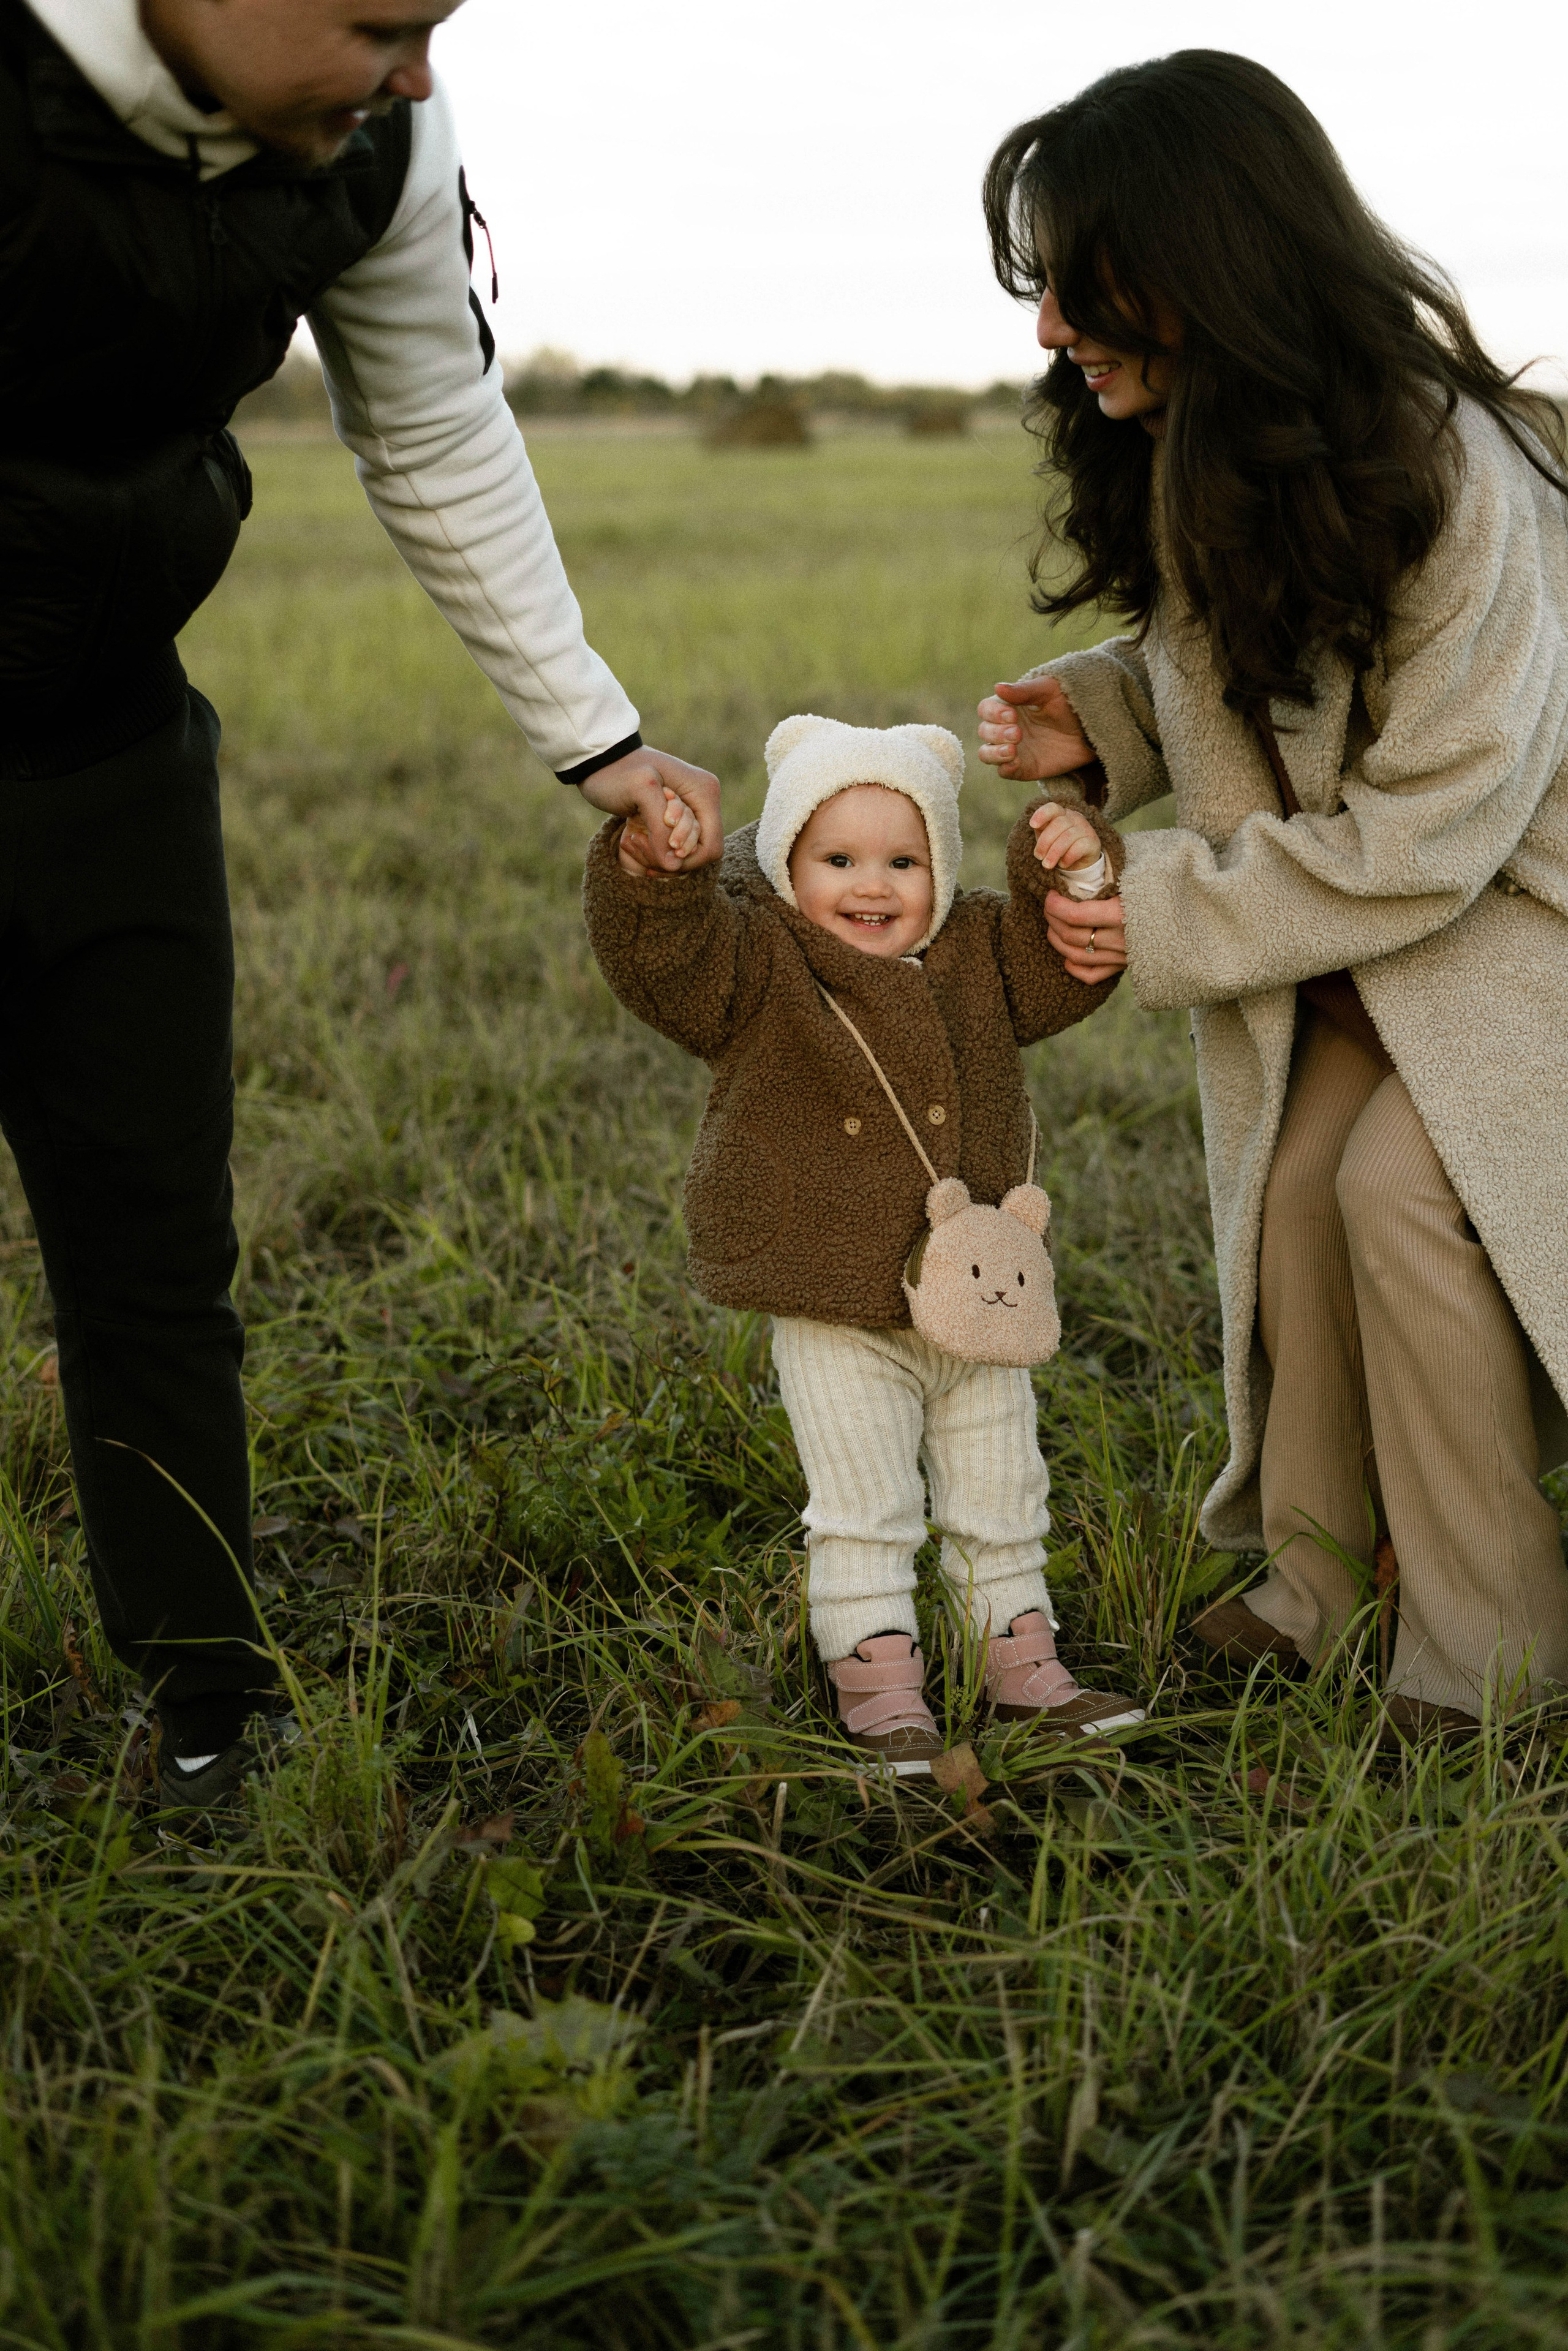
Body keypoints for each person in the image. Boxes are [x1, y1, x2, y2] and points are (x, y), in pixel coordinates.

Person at [0, 0, 719, 1809]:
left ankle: (213, 1712)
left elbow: (433, 426)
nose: (411, 72)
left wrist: (600, 743)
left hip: (108, 749)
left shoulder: (383, 143)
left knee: (157, 1239)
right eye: (377, 23)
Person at [976, 51, 1568, 1741]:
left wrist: (1160, 906)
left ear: (1210, 253)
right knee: (1302, 1182)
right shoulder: (1211, 432)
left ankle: (1493, 1667)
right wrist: (1095, 712)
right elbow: (1255, 669)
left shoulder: (1455, 468)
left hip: (1521, 910)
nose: (1048, 332)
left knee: (1395, 1185)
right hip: (1394, 923)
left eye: (1081, 282)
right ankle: (1315, 1588)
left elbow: (1443, 819)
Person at [581, 713, 1144, 1773]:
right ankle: (880, 1683)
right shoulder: (757, 962)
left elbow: (1063, 968)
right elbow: (664, 960)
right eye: (838, 860)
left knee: (1001, 1487)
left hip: (978, 1296)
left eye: (904, 859)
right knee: (863, 1503)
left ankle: (1021, 1661)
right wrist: (656, 875)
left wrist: (1068, 877)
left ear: (942, 865)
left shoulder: (976, 949)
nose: (872, 885)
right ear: (789, 865)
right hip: (833, 1296)